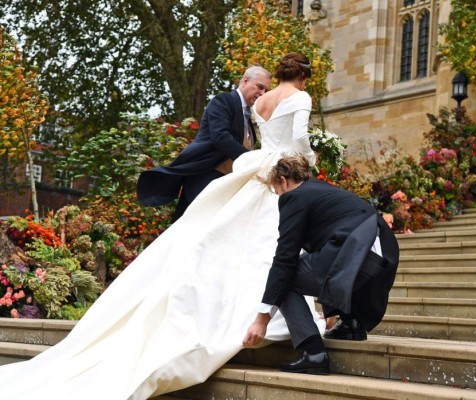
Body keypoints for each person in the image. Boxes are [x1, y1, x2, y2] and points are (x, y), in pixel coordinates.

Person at [0, 53, 324, 399]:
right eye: (257, 87)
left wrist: (254, 161)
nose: (261, 92)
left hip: (254, 173)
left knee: (226, 236)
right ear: (303, 77)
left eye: (264, 86)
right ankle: (265, 314)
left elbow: (263, 139)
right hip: (266, 173)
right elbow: (297, 139)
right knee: (264, 241)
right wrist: (311, 161)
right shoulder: (289, 98)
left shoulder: (261, 106)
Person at [243, 155, 400, 375]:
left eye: (276, 189)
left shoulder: (293, 197)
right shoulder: (322, 190)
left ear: (283, 180)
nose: (278, 195)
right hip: (383, 253)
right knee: (319, 261)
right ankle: (351, 325)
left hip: (357, 254)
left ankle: (313, 352)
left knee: (287, 277)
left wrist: (262, 319)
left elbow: (285, 259)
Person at [137, 65, 272, 221]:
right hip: (204, 177)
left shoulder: (248, 116)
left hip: (226, 185)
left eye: (266, 91)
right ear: (245, 81)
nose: (262, 93)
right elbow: (220, 136)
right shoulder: (224, 100)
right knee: (193, 230)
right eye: (260, 87)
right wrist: (250, 160)